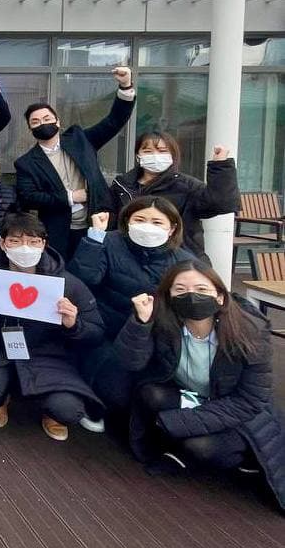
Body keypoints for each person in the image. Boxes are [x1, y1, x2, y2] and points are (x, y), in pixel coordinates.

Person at [119, 263, 284, 510]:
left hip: (239, 411)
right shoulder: (166, 322)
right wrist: (140, 322)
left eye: (201, 289)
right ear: (168, 296)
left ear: (220, 297)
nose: (191, 296)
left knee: (200, 448)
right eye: (180, 289)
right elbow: (130, 363)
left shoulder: (248, 331)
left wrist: (175, 422)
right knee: (149, 393)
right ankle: (176, 445)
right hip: (195, 397)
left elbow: (250, 401)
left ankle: (245, 460)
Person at [0, 212, 105, 441]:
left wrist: (74, 324)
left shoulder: (67, 283)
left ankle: (51, 412)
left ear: (43, 244)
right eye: (15, 241)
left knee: (68, 409)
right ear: (3, 243)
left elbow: (96, 333)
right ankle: (0, 399)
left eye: (33, 241)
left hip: (48, 356)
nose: (25, 248)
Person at [68, 199, 195, 418]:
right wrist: (95, 238)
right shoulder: (108, 241)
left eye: (157, 222)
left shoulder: (184, 261)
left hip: (154, 333)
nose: (147, 226)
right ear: (127, 221)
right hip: (108, 328)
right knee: (113, 388)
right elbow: (83, 278)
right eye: (140, 219)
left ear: (172, 228)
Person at [15, 66, 136, 260]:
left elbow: (114, 121)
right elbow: (29, 197)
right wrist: (71, 197)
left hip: (97, 222)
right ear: (30, 129)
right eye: (36, 122)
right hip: (58, 231)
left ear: (58, 122)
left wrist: (125, 86)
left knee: (96, 269)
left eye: (47, 118)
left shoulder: (81, 140)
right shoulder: (26, 163)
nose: (42, 123)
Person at [110, 134, 239, 261]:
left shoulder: (186, 186)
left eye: (162, 151)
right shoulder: (122, 186)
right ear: (138, 156)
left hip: (180, 259)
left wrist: (220, 165)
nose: (155, 155)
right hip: (130, 258)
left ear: (173, 155)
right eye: (148, 151)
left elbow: (221, 203)